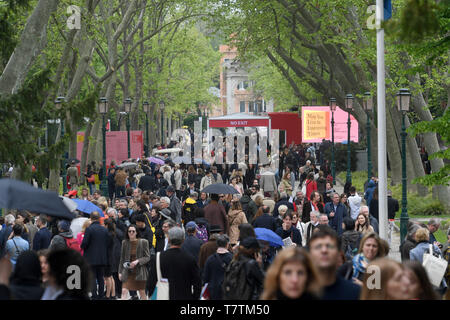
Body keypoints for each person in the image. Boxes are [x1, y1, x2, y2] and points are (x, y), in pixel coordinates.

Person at [148, 227, 201, 300]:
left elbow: (151, 281)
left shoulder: (158, 257)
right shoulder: (190, 259)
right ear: (183, 240)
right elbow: (197, 282)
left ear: (169, 240)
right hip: (185, 296)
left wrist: (150, 294)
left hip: (164, 296)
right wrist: (195, 297)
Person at [308, 226, 360, 300]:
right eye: (318, 247)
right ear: (310, 254)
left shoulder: (355, 292)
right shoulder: (298, 291)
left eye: (329, 246)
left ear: (339, 254)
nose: (324, 250)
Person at [81, 211, 110, 300]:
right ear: (98, 218)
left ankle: (94, 295)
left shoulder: (89, 229)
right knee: (100, 277)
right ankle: (101, 295)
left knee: (93, 277)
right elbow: (108, 243)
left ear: (91, 218)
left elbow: (85, 243)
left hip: (91, 257)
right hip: (102, 257)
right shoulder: (104, 229)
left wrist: (82, 246)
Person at [118, 224, 150, 300]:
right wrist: (120, 272)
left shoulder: (143, 242)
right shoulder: (125, 242)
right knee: (124, 291)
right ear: (127, 232)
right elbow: (122, 258)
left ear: (136, 232)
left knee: (142, 292)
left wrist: (137, 261)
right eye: (129, 231)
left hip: (140, 271)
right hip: (128, 271)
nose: (131, 233)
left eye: (133, 231)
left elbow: (147, 257)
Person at [202, 234, 233, 300]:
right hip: (228, 290)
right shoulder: (232, 258)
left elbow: (205, 278)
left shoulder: (210, 259)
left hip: (213, 290)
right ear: (227, 244)